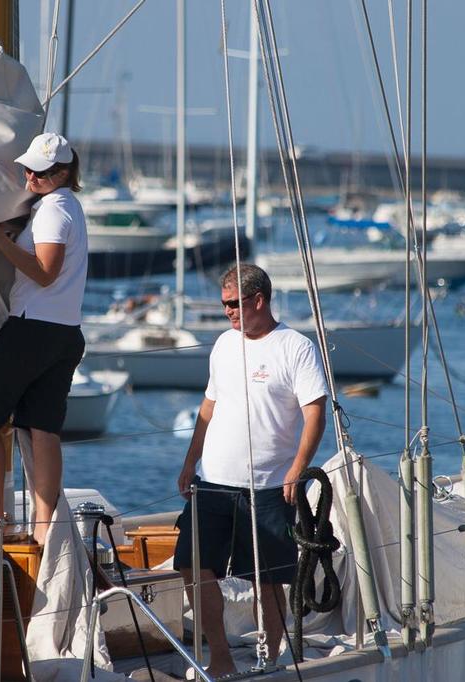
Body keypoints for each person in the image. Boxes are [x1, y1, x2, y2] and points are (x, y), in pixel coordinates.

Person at [173, 263, 328, 676]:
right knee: (192, 565)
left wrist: (298, 468)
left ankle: (272, 657)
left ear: (258, 300)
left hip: (267, 488)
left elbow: (315, 414)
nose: (227, 312)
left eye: (233, 304)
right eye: (224, 304)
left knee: (267, 579)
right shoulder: (224, 344)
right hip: (213, 484)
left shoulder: (295, 347)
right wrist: (190, 461)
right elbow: (209, 407)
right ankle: (219, 654)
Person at [0, 132, 88, 544]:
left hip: (31, 329)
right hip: (65, 333)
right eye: (28, 167)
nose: (30, 175)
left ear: (64, 173)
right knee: (42, 428)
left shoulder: (54, 210)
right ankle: (44, 529)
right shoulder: (69, 206)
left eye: (40, 171)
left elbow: (44, 272)